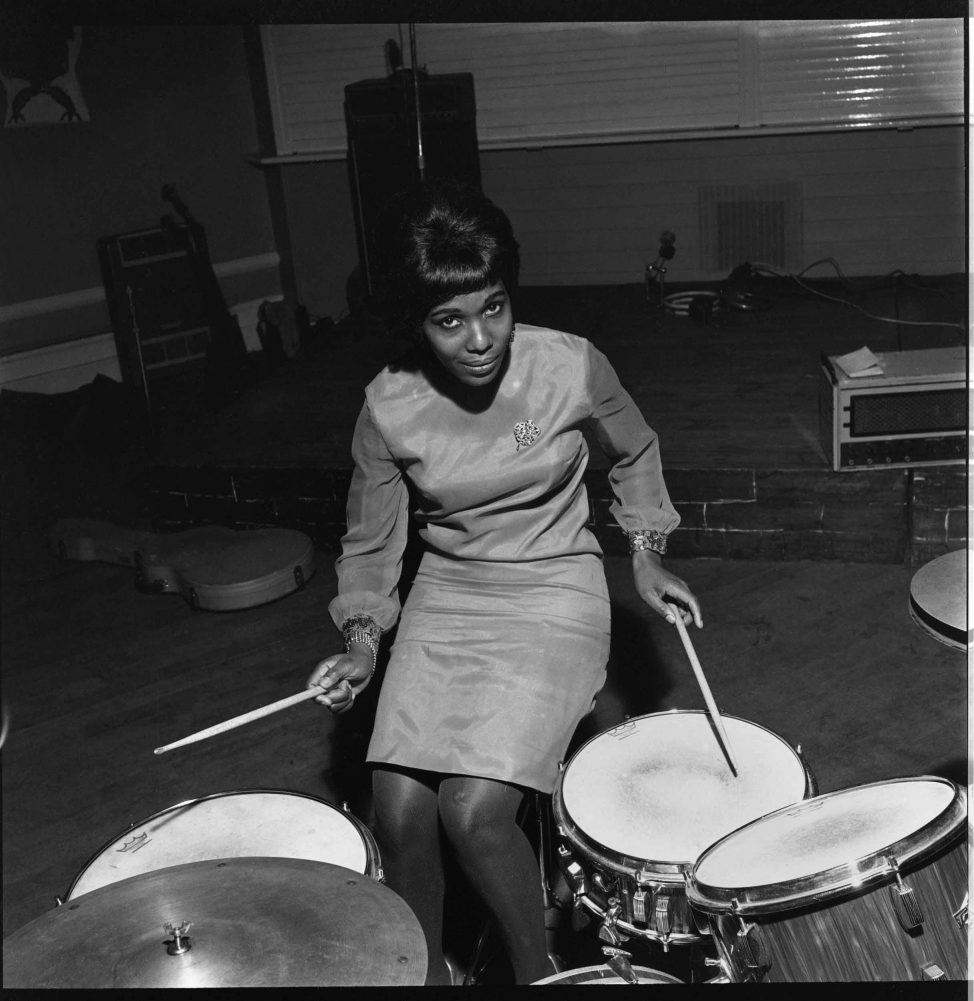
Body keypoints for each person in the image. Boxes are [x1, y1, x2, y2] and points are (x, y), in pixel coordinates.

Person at [307, 182, 702, 986]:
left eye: (494, 307)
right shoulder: (388, 406)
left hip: (556, 586)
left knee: (472, 809)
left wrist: (647, 551)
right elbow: (370, 540)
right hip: (450, 593)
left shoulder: (569, 363)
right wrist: (360, 641)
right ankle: (428, 976)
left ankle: (540, 973)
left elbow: (634, 449)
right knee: (400, 809)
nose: (480, 339)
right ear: (416, 325)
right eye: (449, 321)